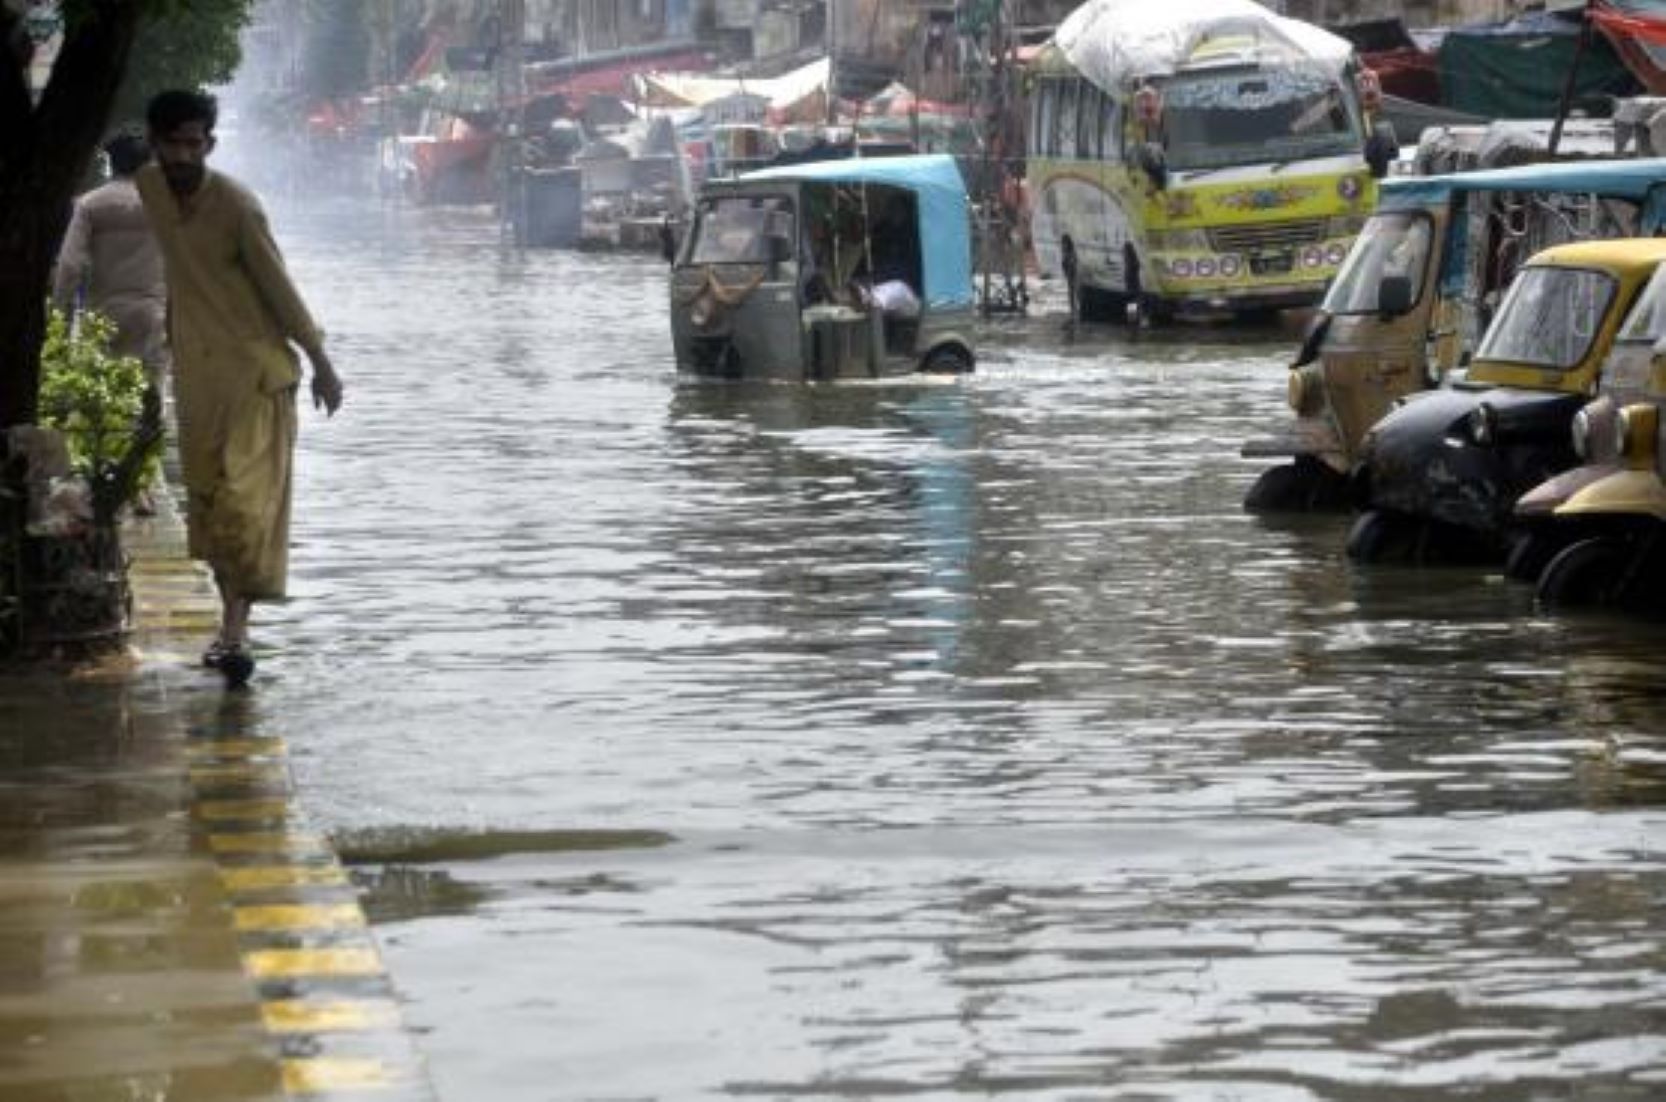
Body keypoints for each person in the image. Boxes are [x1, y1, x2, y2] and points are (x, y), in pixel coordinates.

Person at [135, 89, 344, 687]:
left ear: (210, 145)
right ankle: (230, 634)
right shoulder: (150, 191)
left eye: (194, 144)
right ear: (154, 144)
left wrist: (322, 364)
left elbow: (281, 289)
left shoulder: (237, 207)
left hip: (257, 376)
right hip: (199, 379)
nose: (182, 155)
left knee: (244, 507)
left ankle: (235, 631)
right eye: (172, 143)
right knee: (207, 502)